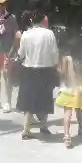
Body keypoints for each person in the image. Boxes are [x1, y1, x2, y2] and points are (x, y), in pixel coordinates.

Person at [16, 7, 60, 140]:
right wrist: (55, 65)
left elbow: (21, 54)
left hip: (29, 69)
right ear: (42, 20)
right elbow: (54, 53)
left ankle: (26, 129)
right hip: (46, 69)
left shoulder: (26, 34)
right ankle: (44, 126)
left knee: (29, 100)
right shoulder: (49, 34)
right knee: (45, 98)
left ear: (32, 20)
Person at [56, 36, 82, 148]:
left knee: (67, 113)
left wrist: (57, 69)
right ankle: (81, 128)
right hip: (78, 89)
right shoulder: (81, 61)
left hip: (67, 89)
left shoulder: (66, 59)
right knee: (79, 110)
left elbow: (63, 73)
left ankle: (67, 136)